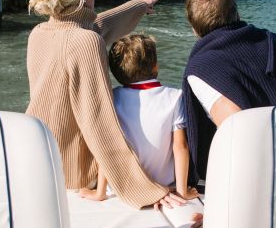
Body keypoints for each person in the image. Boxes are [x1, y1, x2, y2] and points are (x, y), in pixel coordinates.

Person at [26, 0, 185, 210]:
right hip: (70, 171)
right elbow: (99, 121)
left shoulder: (39, 33)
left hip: (36, 155)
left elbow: (94, 26)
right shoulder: (85, 42)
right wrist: (143, 188)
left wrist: (139, 6)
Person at [181, 0, 276, 228]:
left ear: (195, 29)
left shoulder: (202, 69)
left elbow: (239, 133)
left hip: (263, 180)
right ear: (236, 13)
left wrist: (224, 212)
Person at [80, 34, 199, 202]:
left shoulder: (113, 98)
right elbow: (181, 147)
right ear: (155, 66)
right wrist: (182, 192)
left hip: (123, 185)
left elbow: (106, 146)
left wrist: (100, 192)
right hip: (164, 182)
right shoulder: (175, 97)